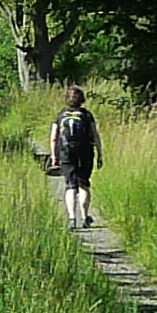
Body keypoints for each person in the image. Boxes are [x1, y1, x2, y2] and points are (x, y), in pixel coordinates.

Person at [50, 85, 103, 231]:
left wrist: (54, 156)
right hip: (85, 152)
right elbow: (95, 134)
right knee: (84, 184)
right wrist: (100, 153)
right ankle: (85, 216)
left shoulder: (61, 115)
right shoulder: (86, 115)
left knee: (70, 184)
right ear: (82, 100)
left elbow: (54, 138)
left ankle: (72, 218)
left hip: (66, 153)